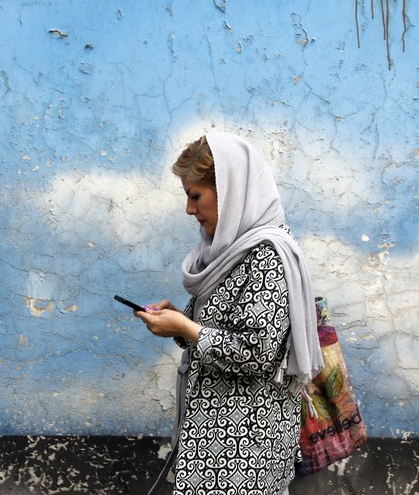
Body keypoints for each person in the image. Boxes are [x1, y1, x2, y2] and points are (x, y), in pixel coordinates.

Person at [136, 132, 323, 495]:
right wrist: (179, 321)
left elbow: (256, 352)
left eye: (196, 196)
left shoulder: (266, 255)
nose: (189, 209)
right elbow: (222, 326)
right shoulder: (234, 250)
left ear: (231, 190)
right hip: (218, 446)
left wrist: (189, 331)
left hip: (244, 451)